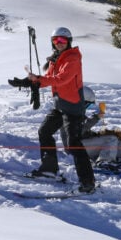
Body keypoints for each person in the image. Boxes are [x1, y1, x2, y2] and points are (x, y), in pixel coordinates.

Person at [26, 26, 96, 193]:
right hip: (60, 105)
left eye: (62, 40)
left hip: (72, 106)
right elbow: (49, 79)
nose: (59, 43)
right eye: (56, 40)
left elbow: (62, 79)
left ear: (69, 42)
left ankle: (88, 183)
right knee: (44, 131)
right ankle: (49, 169)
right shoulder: (55, 59)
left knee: (74, 144)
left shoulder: (72, 58)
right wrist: (33, 81)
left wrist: (40, 79)